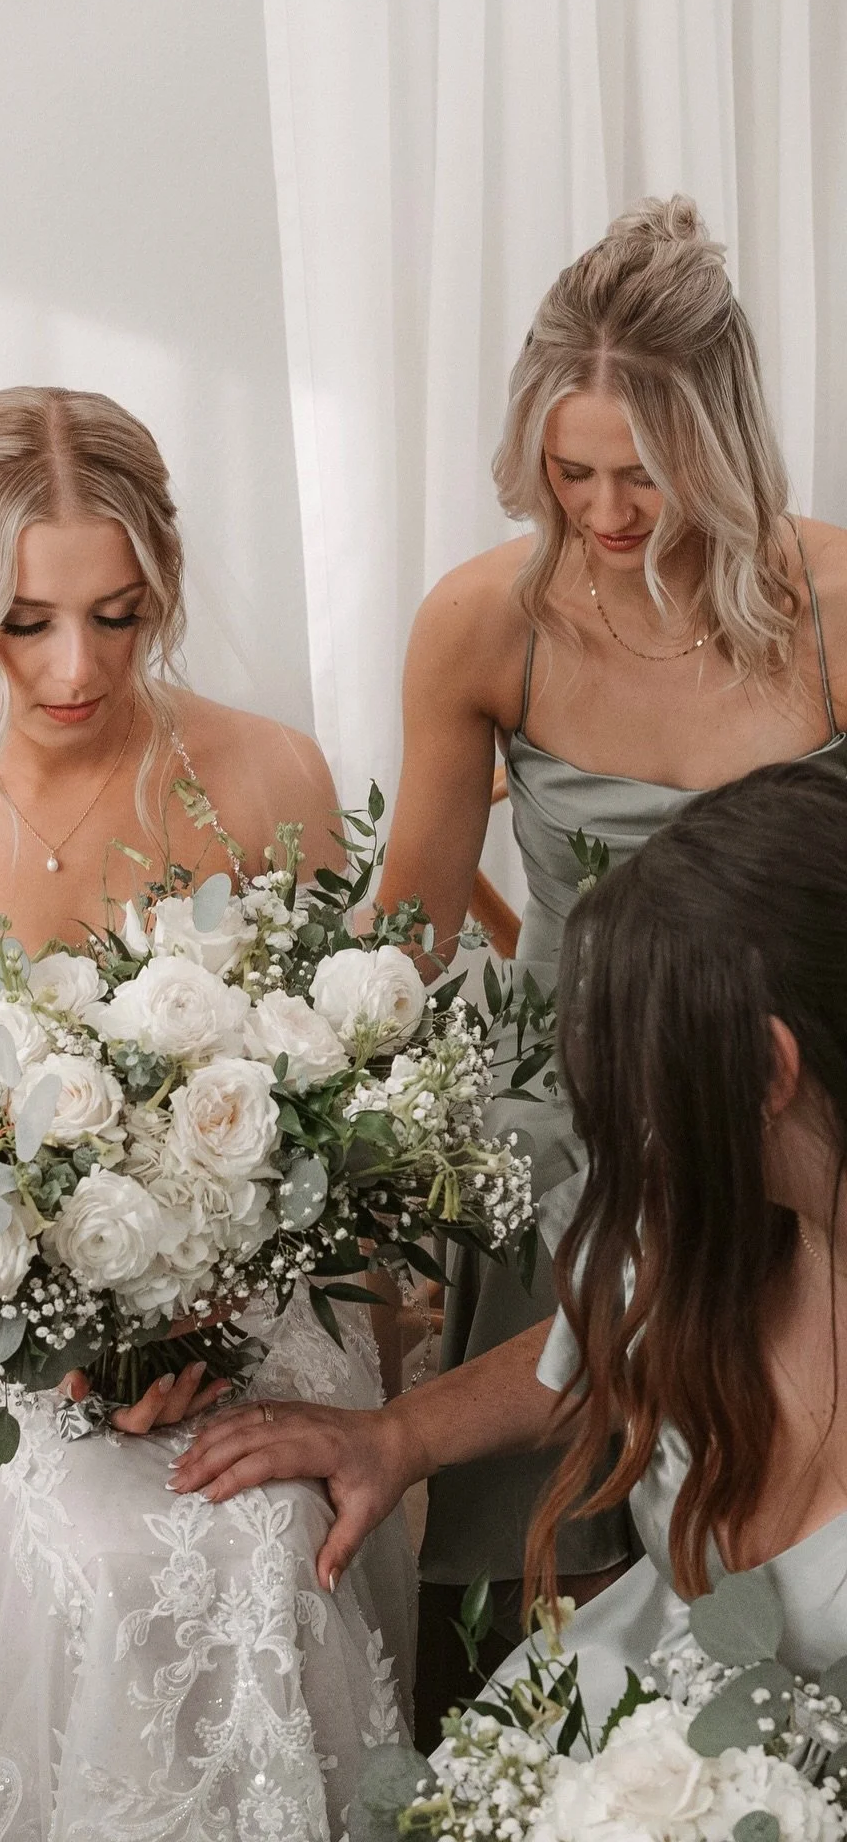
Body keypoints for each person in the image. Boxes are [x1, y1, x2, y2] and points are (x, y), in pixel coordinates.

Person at [0, 387, 418, 1842]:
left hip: (247, 1286)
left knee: (264, 1532)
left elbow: (337, 1111)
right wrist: (56, 1336)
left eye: (121, 616)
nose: (79, 668)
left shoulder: (268, 777)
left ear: (167, 589)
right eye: (26, 622)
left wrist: (200, 1313)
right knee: (110, 1555)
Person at [373, 193, 847, 1722]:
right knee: (551, 1563)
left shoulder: (835, 612)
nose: (606, 514)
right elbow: (405, 941)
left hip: (781, 1111)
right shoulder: (484, 625)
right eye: (570, 474)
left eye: (645, 475)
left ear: (727, 444)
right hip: (568, 1123)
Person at [173, 760, 847, 1732]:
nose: (642, 1120)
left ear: (769, 1070)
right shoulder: (711, 1214)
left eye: (654, 1071)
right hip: (616, 1718)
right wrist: (394, 1437)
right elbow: (607, 1337)